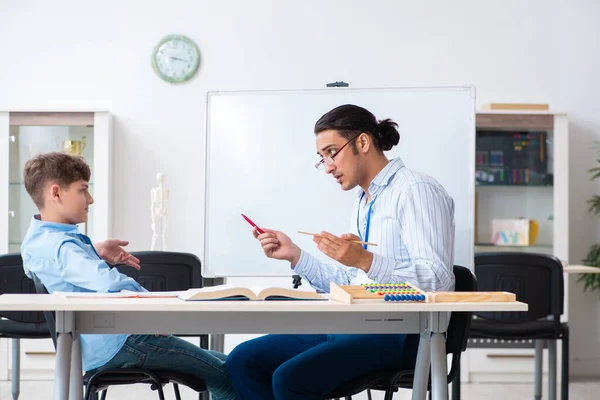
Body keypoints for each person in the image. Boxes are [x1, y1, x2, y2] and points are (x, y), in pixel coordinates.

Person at [226, 104, 456, 400]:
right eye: (321, 158)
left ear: (362, 142)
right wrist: (296, 256)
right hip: (355, 324)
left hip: (402, 333)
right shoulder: (364, 200)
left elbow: (438, 280)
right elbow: (354, 282)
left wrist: (365, 260)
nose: (328, 166)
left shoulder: (415, 190)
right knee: (244, 360)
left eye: (331, 152)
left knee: (290, 379)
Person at [20, 152, 236, 400]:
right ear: (56, 193)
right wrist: (152, 312)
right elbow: (108, 282)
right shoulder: (60, 247)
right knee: (227, 375)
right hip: (121, 343)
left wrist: (93, 253)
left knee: (234, 364)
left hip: (108, 344)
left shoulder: (40, 240)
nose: (90, 199)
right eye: (82, 190)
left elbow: (61, 265)